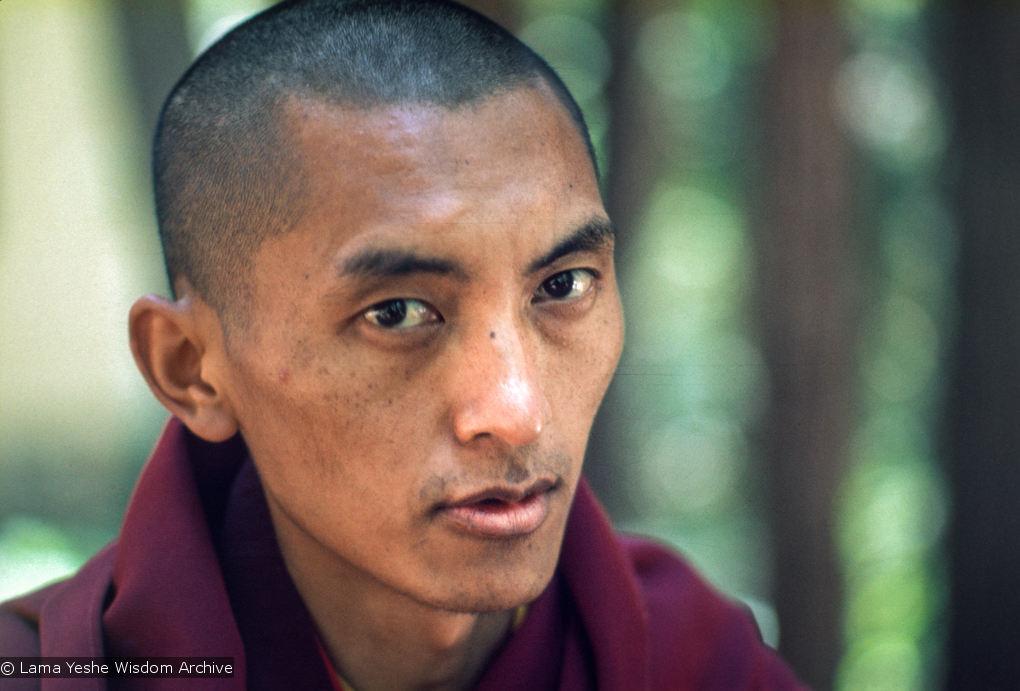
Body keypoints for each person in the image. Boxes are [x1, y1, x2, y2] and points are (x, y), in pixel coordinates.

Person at [0, 1, 807, 689]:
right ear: (191, 369)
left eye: (561, 286)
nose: (517, 412)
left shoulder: (694, 660)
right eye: (396, 313)